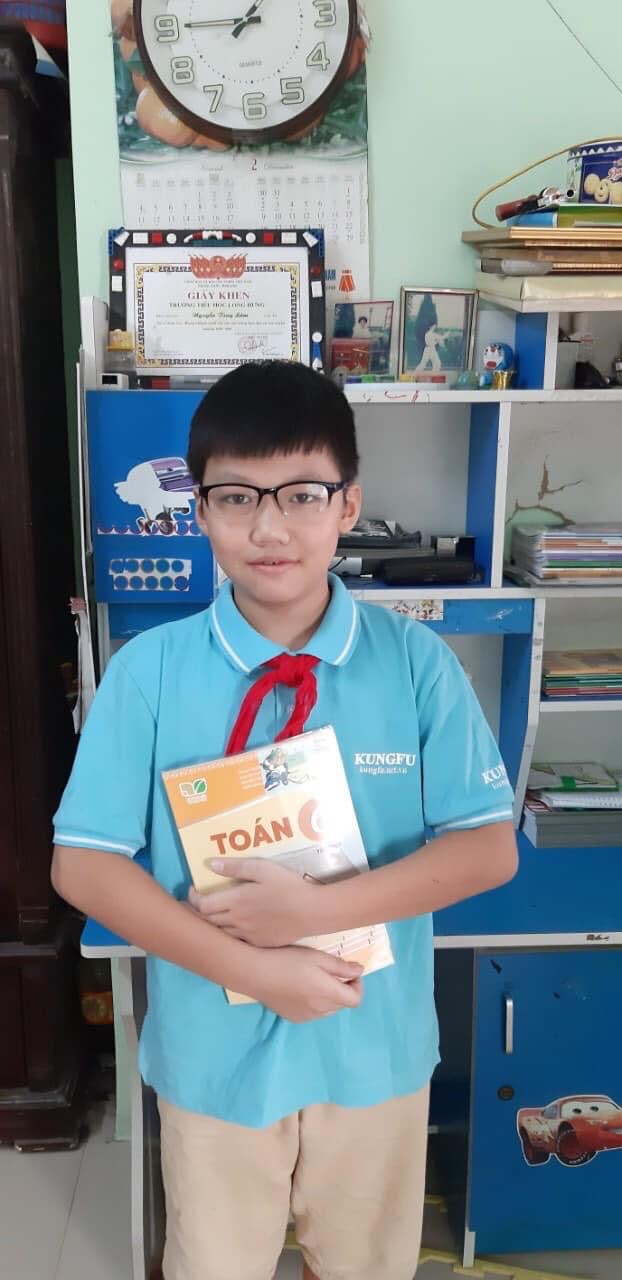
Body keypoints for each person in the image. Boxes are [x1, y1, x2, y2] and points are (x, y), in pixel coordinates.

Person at [52, 361, 517, 1280]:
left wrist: (313, 912)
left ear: (349, 504)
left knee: (362, 1265)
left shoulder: (416, 663)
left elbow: (487, 849)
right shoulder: (149, 672)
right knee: (217, 1262)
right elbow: (85, 866)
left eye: (302, 494)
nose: (269, 528)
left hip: (373, 1051)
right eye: (236, 497)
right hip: (215, 1058)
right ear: (198, 510)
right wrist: (254, 968)